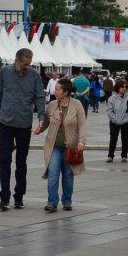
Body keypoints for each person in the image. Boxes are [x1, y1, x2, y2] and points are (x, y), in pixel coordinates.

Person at [0, 48, 47, 211]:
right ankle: (4, 197)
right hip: (6, 122)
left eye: (29, 64)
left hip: (24, 124)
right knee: (5, 161)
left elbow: (40, 96)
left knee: (21, 161)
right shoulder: (5, 72)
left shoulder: (34, 75)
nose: (27, 67)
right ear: (16, 61)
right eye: (25, 64)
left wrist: (42, 118)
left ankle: (19, 196)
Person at [35, 78, 87, 213]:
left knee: (68, 175)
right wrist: (39, 129)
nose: (55, 91)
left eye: (58, 89)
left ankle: (67, 201)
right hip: (54, 147)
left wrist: (82, 140)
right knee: (53, 173)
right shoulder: (52, 105)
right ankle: (52, 202)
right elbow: (46, 122)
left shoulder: (77, 105)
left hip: (71, 146)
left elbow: (82, 124)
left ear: (66, 92)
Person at [106, 79, 128, 163]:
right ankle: (110, 155)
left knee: (125, 139)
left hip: (125, 121)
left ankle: (124, 155)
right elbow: (109, 111)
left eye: (125, 87)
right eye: (122, 87)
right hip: (114, 122)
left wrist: (127, 117)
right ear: (118, 87)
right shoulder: (112, 98)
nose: (124, 88)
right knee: (113, 138)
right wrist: (115, 120)